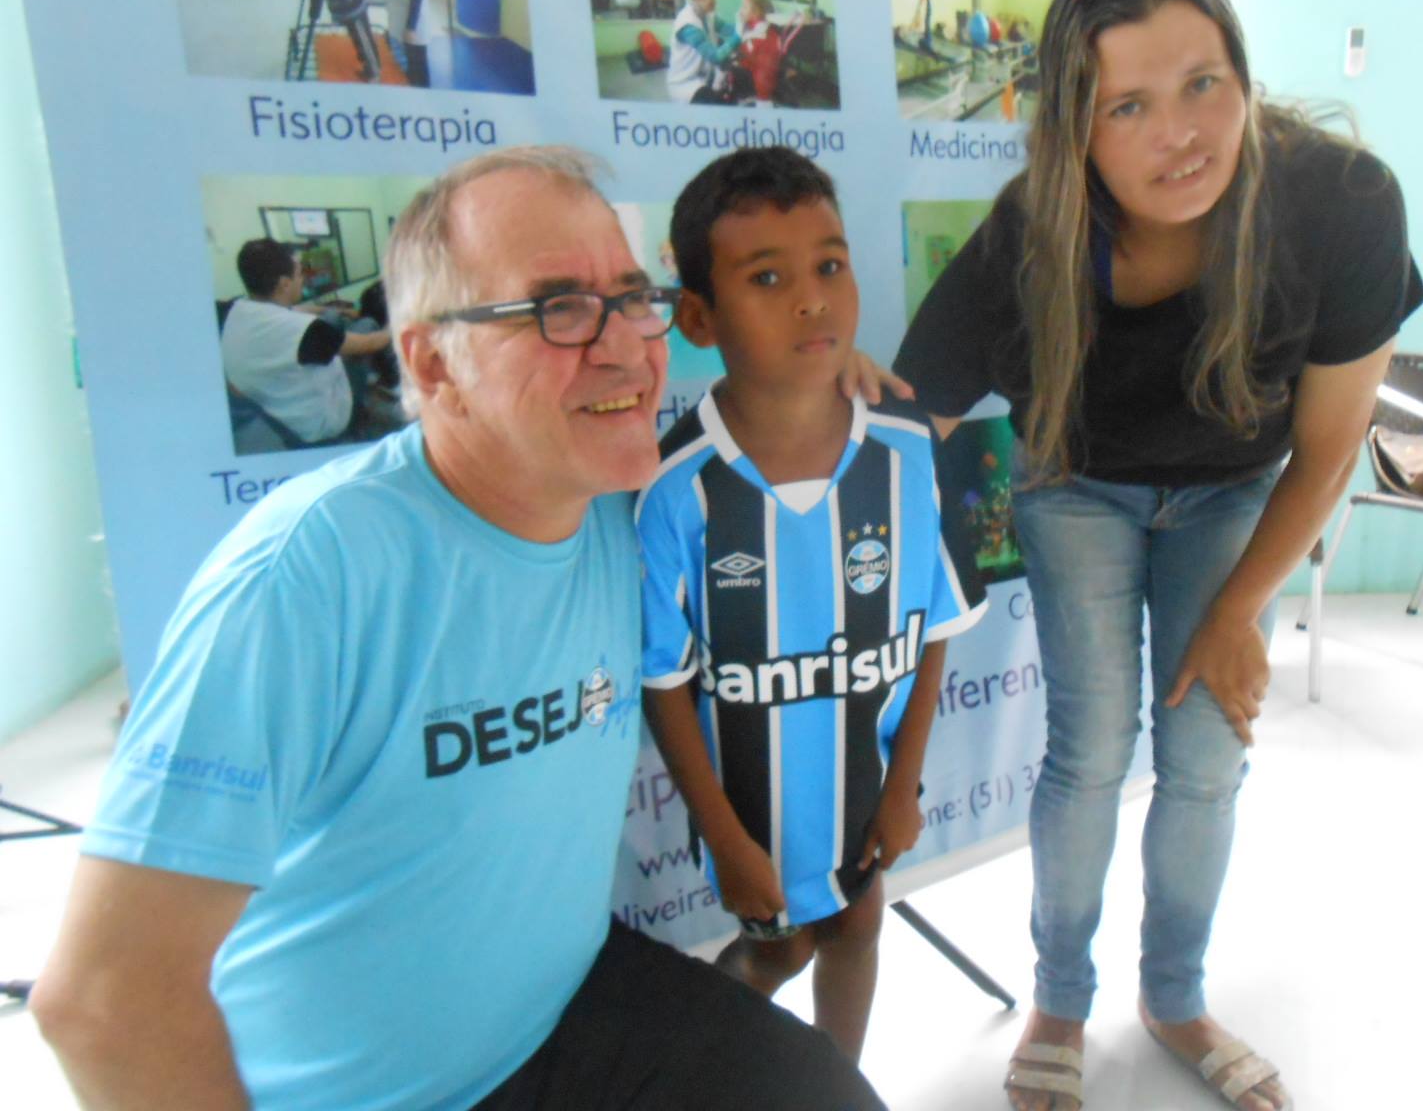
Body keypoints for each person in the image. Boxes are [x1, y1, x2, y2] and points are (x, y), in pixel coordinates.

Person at [30, 146, 888, 1111]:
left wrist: (831, 369)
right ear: (436, 361)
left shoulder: (629, 505)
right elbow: (102, 1000)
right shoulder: (312, 574)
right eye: (556, 308)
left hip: (566, 1006)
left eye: (631, 296)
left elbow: (778, 420)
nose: (623, 347)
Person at [894, 0, 1423, 1111]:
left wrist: (1239, 610)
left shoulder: (1341, 203)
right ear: (1075, 124)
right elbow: (910, 414)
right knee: (1090, 753)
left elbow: (1330, 445)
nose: (1177, 134)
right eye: (1126, 105)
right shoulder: (1031, 229)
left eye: (1202, 85)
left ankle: (1173, 995)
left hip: (1240, 488)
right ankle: (1059, 1000)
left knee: (1205, 756)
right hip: (1074, 484)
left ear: (1242, 72)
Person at [639, 147, 988, 1062]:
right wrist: (724, 836)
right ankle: (686, 1075)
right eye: (768, 277)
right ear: (699, 318)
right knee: (780, 947)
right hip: (752, 818)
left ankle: (841, 1084)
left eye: (830, 265)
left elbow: (935, 625)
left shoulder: (906, 448)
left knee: (860, 926)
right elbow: (663, 683)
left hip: (866, 797)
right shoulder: (674, 490)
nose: (812, 298)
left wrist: (905, 781)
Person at [220, 238, 392, 446]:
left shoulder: (237, 308)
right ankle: (375, 391)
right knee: (367, 324)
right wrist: (401, 323)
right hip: (325, 423)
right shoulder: (306, 331)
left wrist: (341, 311)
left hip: (276, 407)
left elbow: (298, 310)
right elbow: (372, 343)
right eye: (300, 273)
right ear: (284, 284)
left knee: (332, 319)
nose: (304, 279)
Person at [667, 0, 745, 104]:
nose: (715, 1)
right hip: (685, 83)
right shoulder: (687, 24)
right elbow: (715, 56)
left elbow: (727, 28)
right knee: (717, 106)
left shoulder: (708, 15)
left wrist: (746, 23)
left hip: (703, 76)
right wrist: (738, 36)